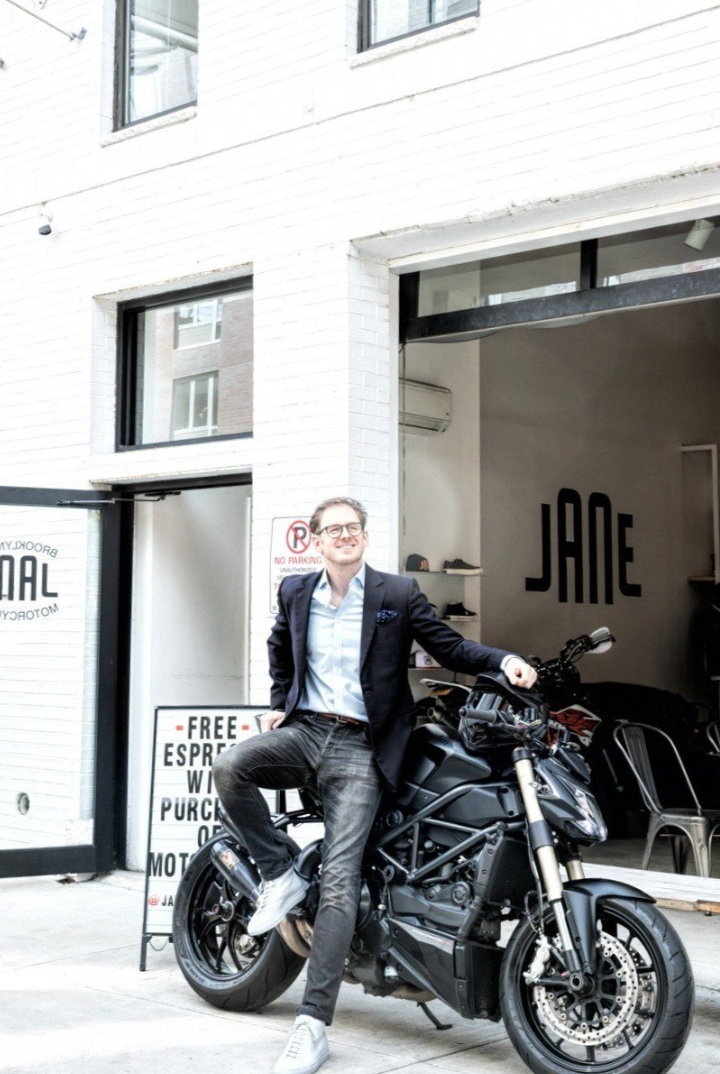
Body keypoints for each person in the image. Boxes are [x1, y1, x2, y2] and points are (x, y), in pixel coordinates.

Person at [212, 496, 537, 1074]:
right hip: (306, 731)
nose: (345, 535)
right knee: (230, 767)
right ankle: (280, 874)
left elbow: (449, 648)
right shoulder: (296, 592)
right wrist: (279, 703)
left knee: (341, 880)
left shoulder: (397, 593)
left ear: (364, 536)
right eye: (334, 529)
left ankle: (312, 1025)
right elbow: (280, 649)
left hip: (363, 747)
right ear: (316, 540)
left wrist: (502, 660)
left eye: (353, 528)